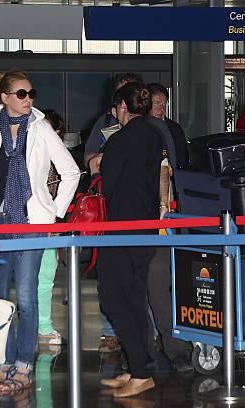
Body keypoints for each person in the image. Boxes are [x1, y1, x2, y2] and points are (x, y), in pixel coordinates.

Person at [0, 71, 80, 392]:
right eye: (21, 94)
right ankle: (3, 363)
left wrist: (54, 216)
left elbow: (71, 172)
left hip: (33, 223)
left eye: (31, 93)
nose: (28, 99)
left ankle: (24, 365)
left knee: (28, 297)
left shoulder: (41, 128)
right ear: (5, 97)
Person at [91, 82, 165, 398]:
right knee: (135, 297)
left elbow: (105, 185)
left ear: (123, 106)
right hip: (145, 227)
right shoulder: (155, 134)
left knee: (112, 297)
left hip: (120, 229)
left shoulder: (120, 140)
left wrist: (96, 164)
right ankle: (140, 366)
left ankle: (139, 371)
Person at [85, 72, 142, 355]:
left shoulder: (136, 134)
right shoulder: (108, 126)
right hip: (123, 216)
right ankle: (120, 340)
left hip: (128, 215)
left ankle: (140, 355)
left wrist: (101, 168)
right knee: (120, 282)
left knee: (123, 285)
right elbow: (89, 155)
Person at [144, 83, 193, 372]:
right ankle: (168, 343)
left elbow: (180, 163)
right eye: (156, 101)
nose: (160, 106)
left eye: (164, 101)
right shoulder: (146, 130)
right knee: (158, 279)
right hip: (160, 212)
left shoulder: (171, 129)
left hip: (171, 208)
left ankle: (167, 342)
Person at [37, 109, 66, 347]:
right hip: (41, 222)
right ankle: (42, 326)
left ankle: (43, 325)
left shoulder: (53, 160)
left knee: (45, 274)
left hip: (48, 222)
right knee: (42, 276)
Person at [84, 72, 143, 170]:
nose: (120, 98)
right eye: (118, 93)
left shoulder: (150, 125)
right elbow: (88, 157)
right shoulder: (105, 121)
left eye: (126, 93)